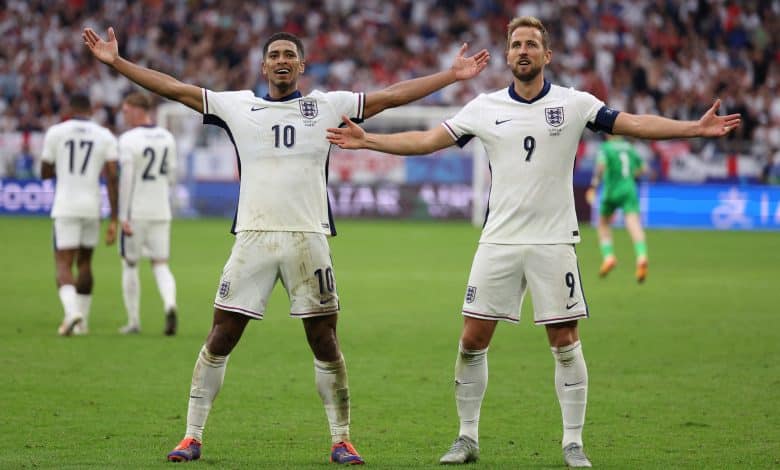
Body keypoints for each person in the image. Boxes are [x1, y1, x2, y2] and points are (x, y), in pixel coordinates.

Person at [327, 16, 740, 467]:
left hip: (553, 242)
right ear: (507, 55)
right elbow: (428, 139)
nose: (523, 51)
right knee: (471, 338)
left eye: (531, 45)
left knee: (564, 339)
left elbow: (632, 123)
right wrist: (370, 140)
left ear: (547, 55)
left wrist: (692, 129)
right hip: (498, 242)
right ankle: (466, 438)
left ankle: (573, 442)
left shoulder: (575, 103)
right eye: (516, 44)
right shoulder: (483, 107)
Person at [83, 26, 489, 464]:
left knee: (324, 339)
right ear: (263, 65)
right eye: (274, 54)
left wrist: (450, 76)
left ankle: (341, 439)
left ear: (301, 64)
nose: (281, 60)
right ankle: (191, 435)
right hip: (253, 239)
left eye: (288, 55)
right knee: (221, 335)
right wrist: (118, 63)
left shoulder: (328, 106)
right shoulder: (238, 105)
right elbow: (176, 89)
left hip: (308, 239)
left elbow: (389, 96)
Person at [40, 93, 119, 336]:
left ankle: (72, 312)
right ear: (91, 110)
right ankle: (82, 322)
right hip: (92, 206)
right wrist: (114, 217)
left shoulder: (56, 132)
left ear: (69, 108)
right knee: (85, 262)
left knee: (63, 262)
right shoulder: (104, 135)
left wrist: (59, 168)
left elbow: (44, 172)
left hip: (65, 205)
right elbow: (112, 176)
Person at [116, 91, 179, 335]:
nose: (124, 116)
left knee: (130, 264)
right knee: (161, 263)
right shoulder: (167, 137)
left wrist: (123, 216)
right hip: (161, 210)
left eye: (125, 111)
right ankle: (170, 304)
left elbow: (127, 180)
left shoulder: (128, 139)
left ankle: (133, 321)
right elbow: (172, 175)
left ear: (136, 109)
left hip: (136, 212)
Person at [585, 135, 649, 283]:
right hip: (628, 189)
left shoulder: (606, 148)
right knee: (633, 224)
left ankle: (608, 257)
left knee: (603, 224)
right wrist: (627, 176)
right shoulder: (629, 147)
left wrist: (593, 187)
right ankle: (642, 257)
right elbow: (643, 168)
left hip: (611, 190)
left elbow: (600, 167)